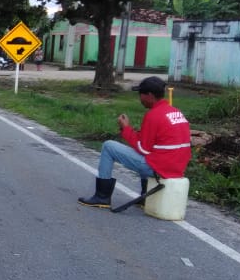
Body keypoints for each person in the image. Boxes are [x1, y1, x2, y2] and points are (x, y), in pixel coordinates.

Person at [78, 76, 191, 208]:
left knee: (109, 146)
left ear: (149, 95)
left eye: (140, 94)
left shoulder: (153, 115)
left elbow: (143, 149)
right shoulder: (176, 112)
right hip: (177, 167)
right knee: (150, 155)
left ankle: (102, 197)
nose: (139, 98)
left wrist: (125, 129)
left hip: (159, 168)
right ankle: (145, 197)